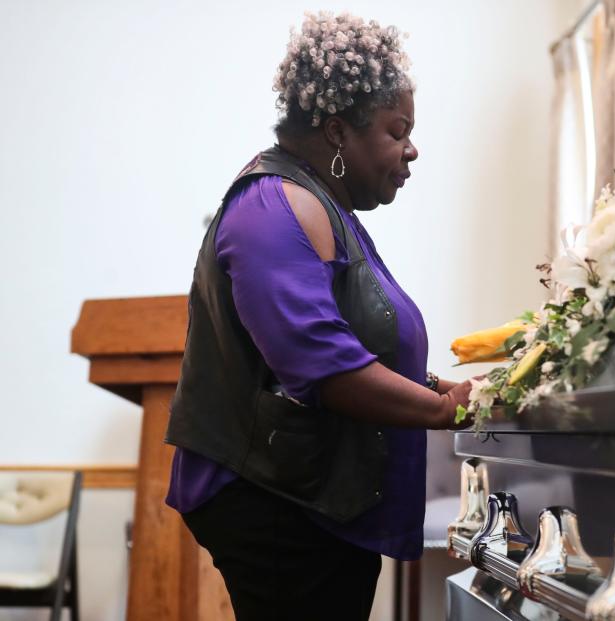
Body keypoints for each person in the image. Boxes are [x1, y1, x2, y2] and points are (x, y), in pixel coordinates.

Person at [163, 11, 473, 620]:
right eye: (396, 130)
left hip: (314, 501)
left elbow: (358, 346)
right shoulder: (271, 208)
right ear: (337, 132)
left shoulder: (325, 208)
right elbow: (322, 366)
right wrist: (443, 408)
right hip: (278, 506)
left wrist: (438, 384)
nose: (412, 149)